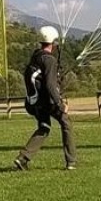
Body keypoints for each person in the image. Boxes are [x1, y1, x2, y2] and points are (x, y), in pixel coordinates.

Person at [14, 25, 77, 171]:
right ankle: (71, 162)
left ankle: (22, 158)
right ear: (53, 42)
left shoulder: (35, 56)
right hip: (46, 100)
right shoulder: (49, 60)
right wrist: (60, 104)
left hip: (34, 102)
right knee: (66, 123)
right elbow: (49, 84)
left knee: (44, 127)